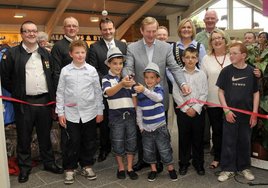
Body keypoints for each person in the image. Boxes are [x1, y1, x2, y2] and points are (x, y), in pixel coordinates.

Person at [123, 16, 191, 172]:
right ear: (141, 31)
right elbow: (128, 67)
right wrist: (127, 76)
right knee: (143, 131)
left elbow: (174, 68)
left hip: (160, 97)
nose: (151, 34)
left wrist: (183, 83)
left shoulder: (165, 47)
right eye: (148, 31)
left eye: (154, 31)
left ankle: (161, 160)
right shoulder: (132, 47)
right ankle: (144, 160)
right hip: (141, 96)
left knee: (161, 132)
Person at [0, 20, 63, 183]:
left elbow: (52, 74)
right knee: (24, 137)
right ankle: (25, 168)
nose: (31, 33)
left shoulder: (45, 53)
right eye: (27, 31)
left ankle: (49, 163)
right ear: (22, 33)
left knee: (45, 134)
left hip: (44, 102)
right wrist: (17, 92)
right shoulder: (12, 53)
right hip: (23, 103)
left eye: (34, 31)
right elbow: (5, 77)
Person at [56, 40, 103, 184]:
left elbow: (97, 92)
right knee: (72, 141)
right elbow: (60, 92)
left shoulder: (91, 70)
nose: (80, 55)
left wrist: (99, 111)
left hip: (89, 112)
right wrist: (60, 113)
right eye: (77, 52)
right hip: (71, 114)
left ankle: (87, 165)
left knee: (89, 140)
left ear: (86, 53)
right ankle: (69, 168)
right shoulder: (65, 71)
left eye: (82, 52)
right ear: (71, 54)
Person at [216, 42, 259, 182]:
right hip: (230, 115)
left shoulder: (251, 72)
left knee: (245, 142)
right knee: (228, 141)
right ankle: (227, 168)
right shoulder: (226, 71)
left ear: (243, 55)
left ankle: (244, 168)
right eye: (230, 53)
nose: (231, 55)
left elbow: (256, 94)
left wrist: (254, 113)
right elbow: (220, 92)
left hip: (247, 115)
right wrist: (226, 110)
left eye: (234, 53)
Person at [89, 18, 127, 162]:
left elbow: (127, 65)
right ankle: (104, 148)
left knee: (122, 118)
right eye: (105, 29)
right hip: (105, 90)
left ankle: (121, 147)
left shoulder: (122, 46)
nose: (108, 31)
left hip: (123, 90)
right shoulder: (94, 47)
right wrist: (108, 83)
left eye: (110, 28)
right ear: (101, 31)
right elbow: (94, 69)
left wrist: (122, 82)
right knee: (105, 123)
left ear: (114, 28)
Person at [134, 62, 178, 182]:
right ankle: (153, 170)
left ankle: (170, 169)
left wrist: (144, 90)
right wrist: (140, 126)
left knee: (164, 149)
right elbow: (139, 110)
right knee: (149, 151)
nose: (149, 80)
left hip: (160, 127)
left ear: (157, 79)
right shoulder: (141, 93)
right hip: (146, 129)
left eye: (152, 77)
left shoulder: (158, 89)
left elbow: (158, 98)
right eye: (147, 77)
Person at [102, 47, 138, 180]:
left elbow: (134, 98)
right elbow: (109, 92)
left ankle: (129, 167)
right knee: (117, 142)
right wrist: (122, 84)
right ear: (109, 64)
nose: (118, 66)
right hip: (116, 117)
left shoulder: (128, 79)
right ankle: (121, 167)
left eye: (120, 63)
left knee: (131, 142)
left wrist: (136, 113)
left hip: (130, 116)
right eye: (115, 63)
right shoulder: (106, 79)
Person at [173, 47, 208, 176]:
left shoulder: (202, 74)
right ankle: (184, 163)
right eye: (187, 57)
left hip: (198, 111)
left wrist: (196, 108)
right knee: (184, 138)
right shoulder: (179, 74)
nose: (190, 60)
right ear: (183, 59)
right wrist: (186, 109)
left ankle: (198, 163)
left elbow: (204, 93)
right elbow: (176, 94)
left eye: (193, 57)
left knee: (198, 138)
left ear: (197, 59)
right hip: (184, 112)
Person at [201, 29, 231, 169]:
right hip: (212, 101)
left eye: (220, 38)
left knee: (230, 130)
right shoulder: (206, 59)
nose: (217, 41)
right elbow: (202, 80)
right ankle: (218, 157)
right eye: (214, 39)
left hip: (232, 101)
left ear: (225, 40)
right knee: (217, 131)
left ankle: (230, 156)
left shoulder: (232, 56)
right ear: (211, 43)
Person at [51, 16, 89, 86]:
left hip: (84, 85)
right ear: (64, 29)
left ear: (78, 29)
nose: (72, 28)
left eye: (74, 26)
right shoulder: (57, 46)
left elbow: (88, 64)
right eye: (68, 26)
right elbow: (56, 72)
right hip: (67, 87)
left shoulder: (84, 44)